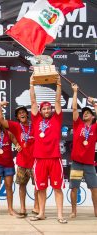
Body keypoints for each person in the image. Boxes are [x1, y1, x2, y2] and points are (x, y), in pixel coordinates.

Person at [29, 75, 67, 224]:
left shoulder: (56, 119)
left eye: (48, 108)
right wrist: (31, 84)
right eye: (43, 109)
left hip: (54, 159)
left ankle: (60, 215)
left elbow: (57, 101)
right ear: (40, 110)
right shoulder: (36, 119)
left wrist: (58, 85)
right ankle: (42, 213)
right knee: (41, 188)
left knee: (58, 188)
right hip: (39, 159)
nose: (46, 110)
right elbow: (33, 101)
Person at [0, 101, 39, 218]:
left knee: (37, 186)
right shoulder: (16, 126)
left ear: (27, 114)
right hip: (22, 161)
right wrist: (0, 107)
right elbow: (1, 120)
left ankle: (36, 206)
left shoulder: (35, 125)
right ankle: (22, 207)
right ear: (17, 117)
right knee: (22, 185)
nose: (21, 114)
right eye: (19, 113)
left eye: (23, 112)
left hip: (35, 161)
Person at [70, 84, 97, 218]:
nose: (85, 113)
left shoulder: (95, 128)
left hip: (89, 164)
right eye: (84, 112)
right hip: (76, 163)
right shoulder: (78, 124)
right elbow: (75, 108)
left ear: (93, 117)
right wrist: (75, 92)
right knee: (74, 188)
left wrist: (95, 104)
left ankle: (96, 211)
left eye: (88, 113)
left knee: (94, 188)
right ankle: (73, 211)